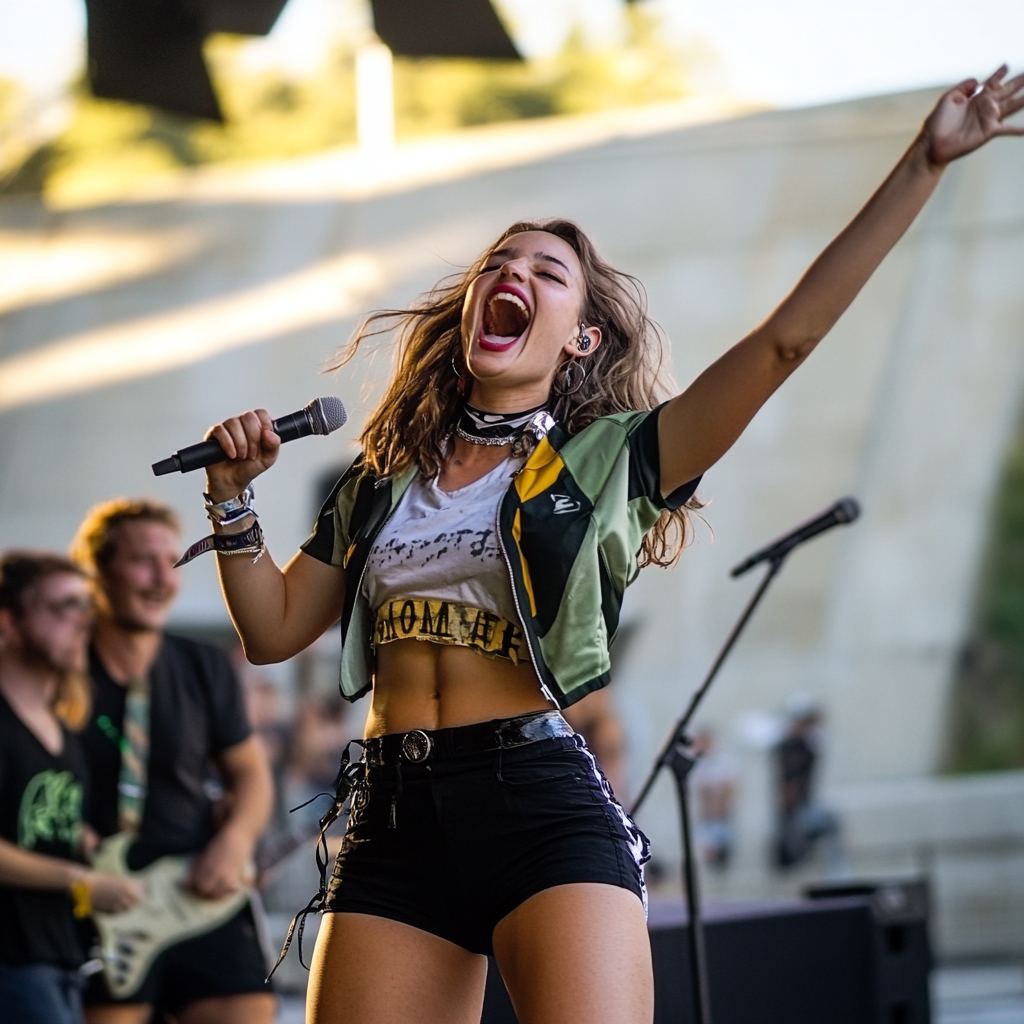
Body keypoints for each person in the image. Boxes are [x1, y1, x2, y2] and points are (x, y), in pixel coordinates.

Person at [187, 69, 1022, 1024]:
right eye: (502, 264)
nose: (515, 277)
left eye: (547, 274)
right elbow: (272, 628)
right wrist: (230, 502)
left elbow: (786, 342)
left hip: (537, 802)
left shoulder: (613, 459)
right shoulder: (379, 481)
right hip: (391, 816)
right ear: (471, 315)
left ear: (580, 340)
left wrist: (924, 163)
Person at [68, 500, 276, 1024]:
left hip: (192, 890)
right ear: (97, 571)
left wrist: (234, 844)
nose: (162, 578)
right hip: (94, 897)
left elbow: (250, 774)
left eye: (172, 561)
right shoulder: (61, 669)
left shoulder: (202, 664)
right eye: (143, 561)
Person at [0, 552, 141, 1024]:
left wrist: (78, 837)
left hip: (59, 953)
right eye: (64, 607)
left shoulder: (64, 726)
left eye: (87, 607)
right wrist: (80, 881)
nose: (83, 622)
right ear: (9, 622)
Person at [773, 695, 845, 875]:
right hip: (793, 808)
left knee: (828, 830)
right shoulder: (788, 744)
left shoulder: (809, 743)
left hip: (804, 805)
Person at [691, 727, 739, 870]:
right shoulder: (699, 764)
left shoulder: (724, 763)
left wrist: (717, 810)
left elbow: (728, 790)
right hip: (705, 818)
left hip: (719, 817)